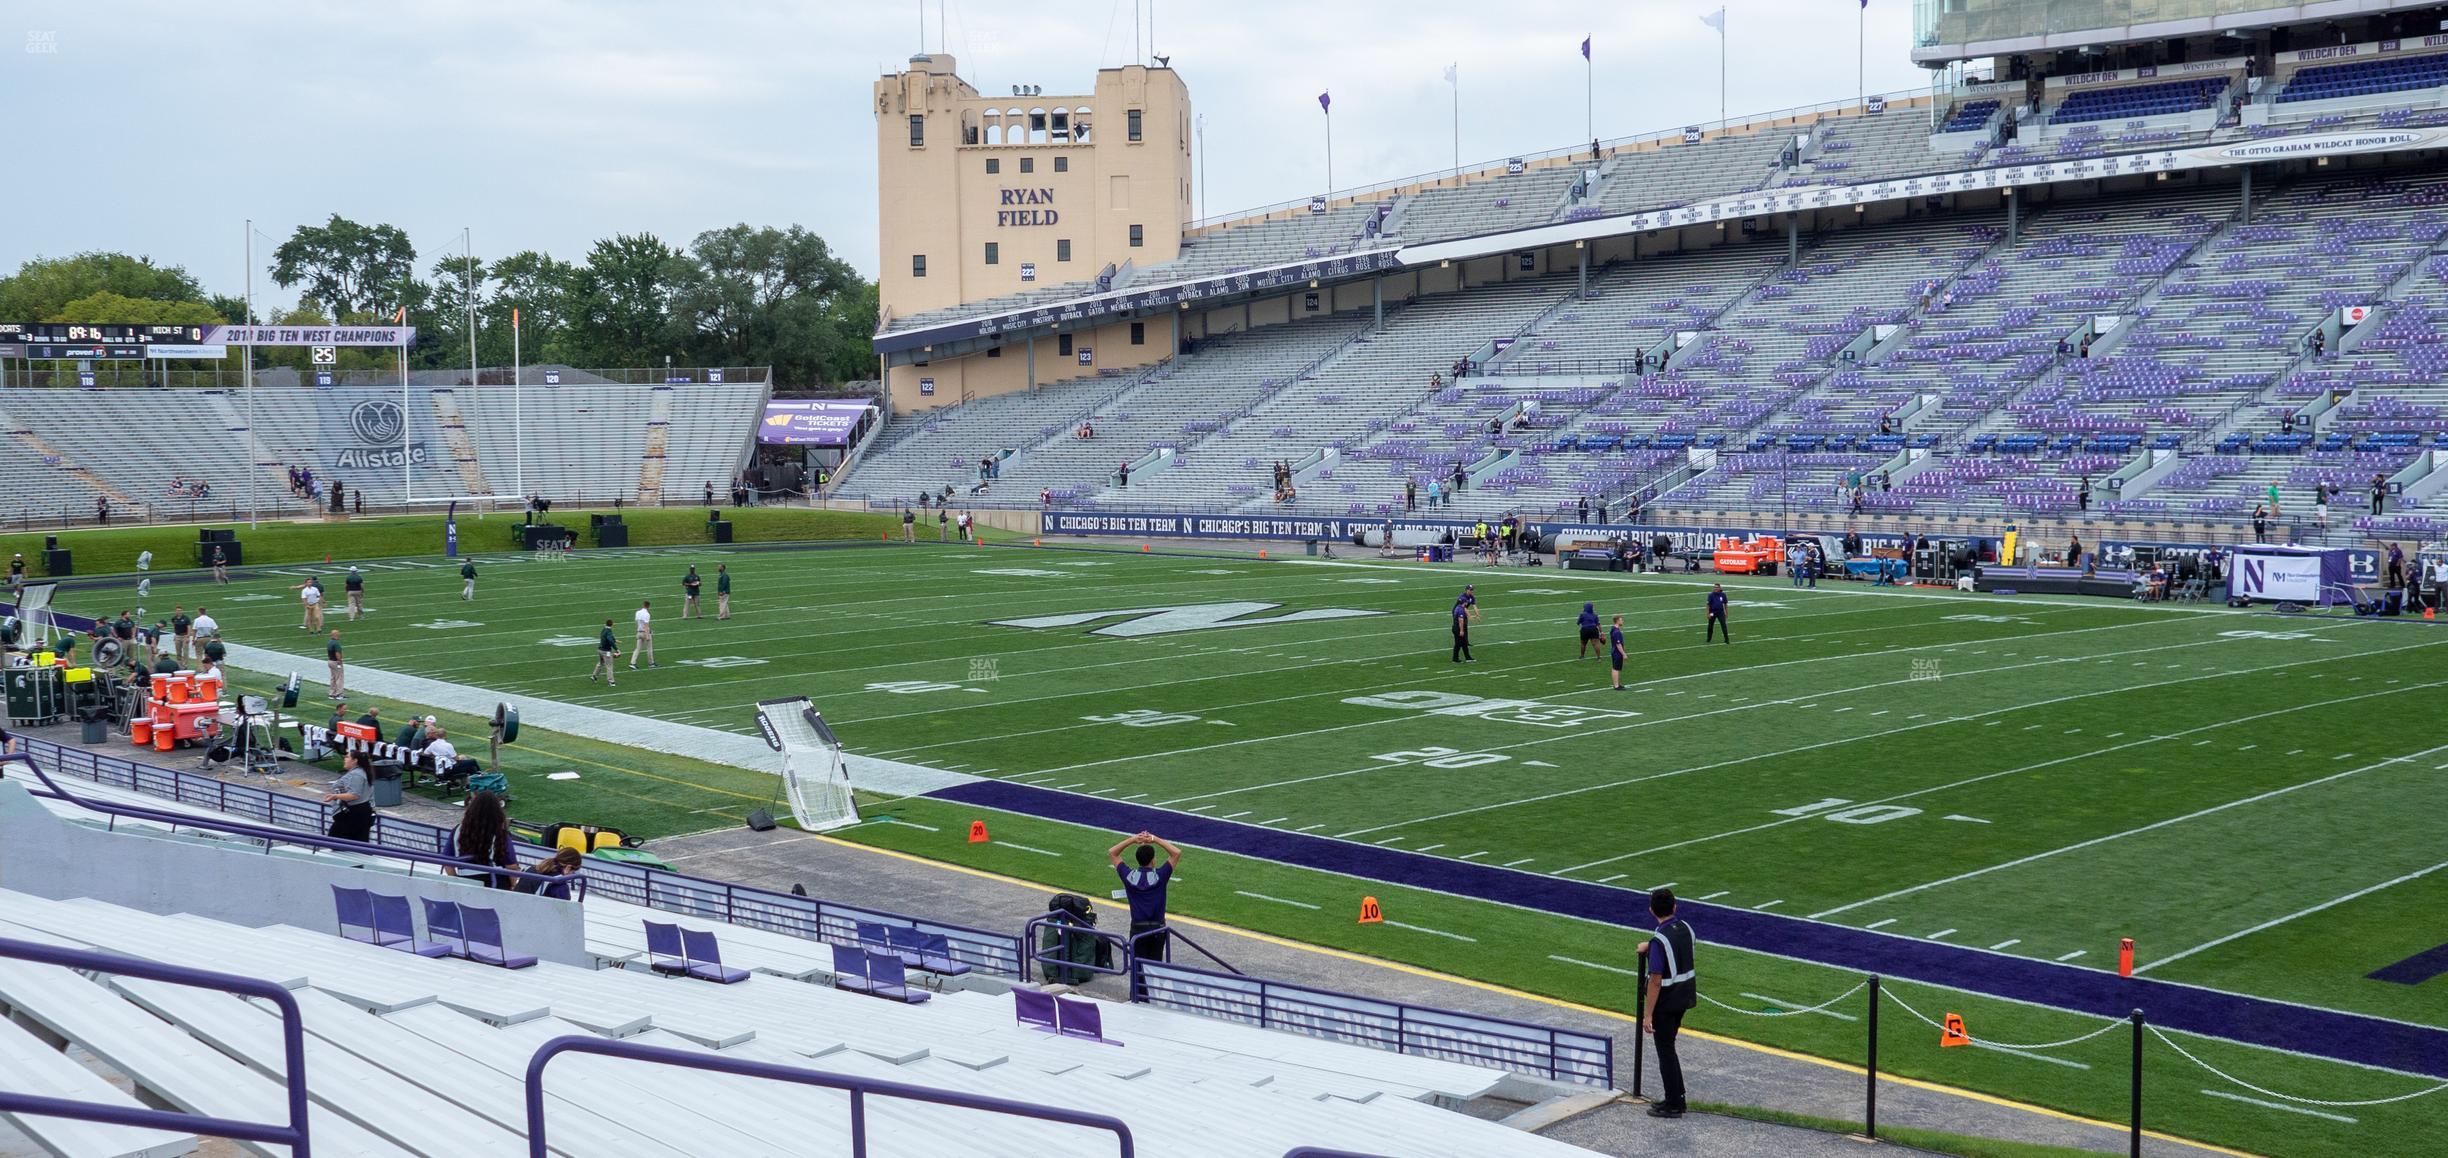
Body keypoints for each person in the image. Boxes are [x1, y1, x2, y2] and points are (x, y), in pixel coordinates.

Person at [1642, 887, 1698, 1119]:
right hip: (1685, 996)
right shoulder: (1686, 928)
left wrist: (1648, 1015)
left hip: (1667, 1001)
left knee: (1665, 1051)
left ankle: (1674, 1103)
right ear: (1675, 907)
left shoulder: (1659, 940)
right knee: (1669, 1048)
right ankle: (1678, 1097)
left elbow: (1655, 980)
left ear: (1651, 911)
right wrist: (1650, 946)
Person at [1108, 830, 1183, 994]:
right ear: (1153, 861)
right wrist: (1154, 839)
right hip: (1158, 929)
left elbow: (1112, 852)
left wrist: (1134, 839)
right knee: (1154, 970)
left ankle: (1136, 999)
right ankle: (1154, 1000)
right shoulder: (1160, 876)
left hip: (1137, 930)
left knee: (1137, 968)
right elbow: (1176, 852)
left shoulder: (1129, 876)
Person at [448, 789, 517, 888]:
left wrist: (456, 882)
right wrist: (514, 886)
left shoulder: (458, 830)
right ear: (497, 811)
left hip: (465, 881)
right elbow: (511, 866)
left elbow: (448, 862)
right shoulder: (500, 833)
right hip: (495, 883)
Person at [322, 751, 376, 842]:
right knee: (359, 842)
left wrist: (335, 796)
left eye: (347, 757)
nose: (344, 759)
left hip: (354, 813)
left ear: (355, 760)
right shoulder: (362, 772)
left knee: (336, 841)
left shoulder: (356, 775)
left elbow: (354, 795)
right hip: (361, 811)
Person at [515, 846, 586, 899]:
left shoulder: (529, 869)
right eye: (573, 872)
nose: (572, 875)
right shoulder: (560, 886)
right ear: (568, 867)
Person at [1451, 585, 1477, 663]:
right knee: (1458, 644)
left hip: (1456, 627)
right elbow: (1461, 620)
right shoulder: (1460, 610)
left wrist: (1471, 616)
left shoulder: (1459, 608)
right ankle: (1455, 659)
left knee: (1463, 643)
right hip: (1458, 628)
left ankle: (1467, 657)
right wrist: (1462, 630)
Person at [591, 618, 620, 684]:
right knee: (609, 666)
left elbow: (607, 637)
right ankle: (611, 681)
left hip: (600, 650)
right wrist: (617, 649)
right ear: (612, 624)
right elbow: (609, 639)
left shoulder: (604, 629)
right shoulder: (609, 631)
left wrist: (615, 640)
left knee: (601, 663)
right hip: (606, 652)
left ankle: (594, 676)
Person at [631, 600, 656, 669]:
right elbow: (646, 626)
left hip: (639, 632)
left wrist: (637, 631)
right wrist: (647, 635)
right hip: (644, 633)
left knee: (637, 648)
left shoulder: (638, 612)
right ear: (648, 606)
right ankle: (651, 663)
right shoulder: (647, 614)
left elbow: (636, 622)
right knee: (649, 648)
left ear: (643, 605)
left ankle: (632, 663)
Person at [1608, 615, 1628, 691]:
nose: (1622, 621)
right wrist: (1624, 654)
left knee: (1616, 668)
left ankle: (1616, 684)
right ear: (1617, 621)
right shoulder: (1617, 632)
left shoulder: (1613, 629)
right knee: (1616, 668)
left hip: (1614, 651)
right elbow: (1618, 644)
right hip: (1617, 652)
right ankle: (1616, 686)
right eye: (1621, 620)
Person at [325, 630, 346, 699]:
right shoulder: (336, 643)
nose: (339, 635)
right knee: (339, 678)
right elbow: (337, 653)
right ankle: (339, 694)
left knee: (333, 678)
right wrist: (340, 661)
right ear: (335, 635)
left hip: (330, 661)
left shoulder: (329, 642)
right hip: (336, 662)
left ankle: (332, 693)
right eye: (338, 634)